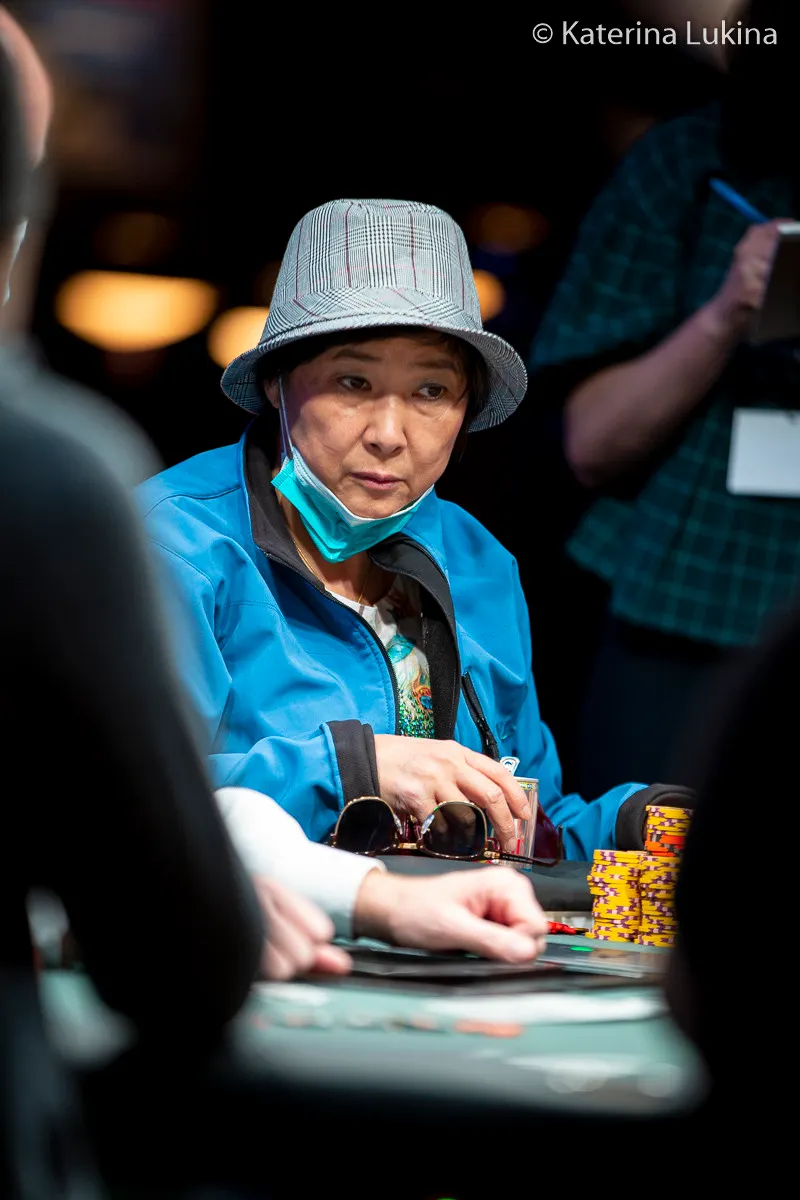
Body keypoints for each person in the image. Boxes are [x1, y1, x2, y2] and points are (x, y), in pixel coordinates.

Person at [137, 196, 678, 865]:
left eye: (430, 392)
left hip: (449, 928)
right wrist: (352, 769)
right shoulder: (170, 545)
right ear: (277, 381)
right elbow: (117, 793)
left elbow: (525, 828)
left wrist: (633, 821)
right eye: (353, 382)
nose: (389, 435)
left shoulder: (479, 563)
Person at [526, 0, 800, 798]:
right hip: (685, 599)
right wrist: (729, 310)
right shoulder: (688, 162)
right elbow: (591, 445)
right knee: (642, 842)